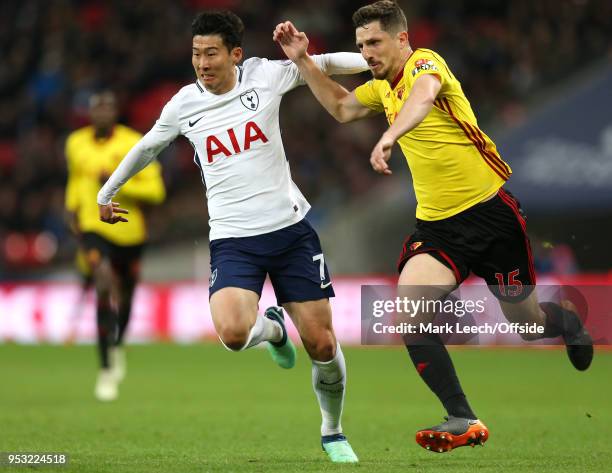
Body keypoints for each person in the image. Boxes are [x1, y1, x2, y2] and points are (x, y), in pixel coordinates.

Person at [273, 0, 594, 454]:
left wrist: (388, 135)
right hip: (438, 229)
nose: (367, 53)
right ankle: (463, 416)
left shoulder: (426, 63)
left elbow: (423, 98)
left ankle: (568, 324)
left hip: (491, 215)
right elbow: (343, 108)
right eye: (362, 45)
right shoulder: (381, 87)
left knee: (525, 324)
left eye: (376, 42)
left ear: (402, 38)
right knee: (409, 314)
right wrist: (303, 61)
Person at [96, 10, 367, 463]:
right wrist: (108, 191)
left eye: (211, 53)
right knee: (234, 333)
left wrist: (387, 61)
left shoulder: (265, 75)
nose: (202, 63)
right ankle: (275, 329)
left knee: (321, 343)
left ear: (234, 54)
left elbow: (327, 63)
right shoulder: (183, 104)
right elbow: (147, 146)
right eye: (196, 54)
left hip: (290, 232)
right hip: (233, 240)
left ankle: (332, 430)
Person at [65, 91, 166, 401]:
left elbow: (156, 191)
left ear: (116, 112)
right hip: (93, 227)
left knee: (126, 295)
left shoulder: (133, 142)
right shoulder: (75, 143)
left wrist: (118, 182)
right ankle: (106, 368)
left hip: (129, 231)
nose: (103, 113)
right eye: (98, 107)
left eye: (109, 107)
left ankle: (118, 341)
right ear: (90, 112)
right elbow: (77, 181)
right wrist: (73, 211)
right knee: (103, 281)